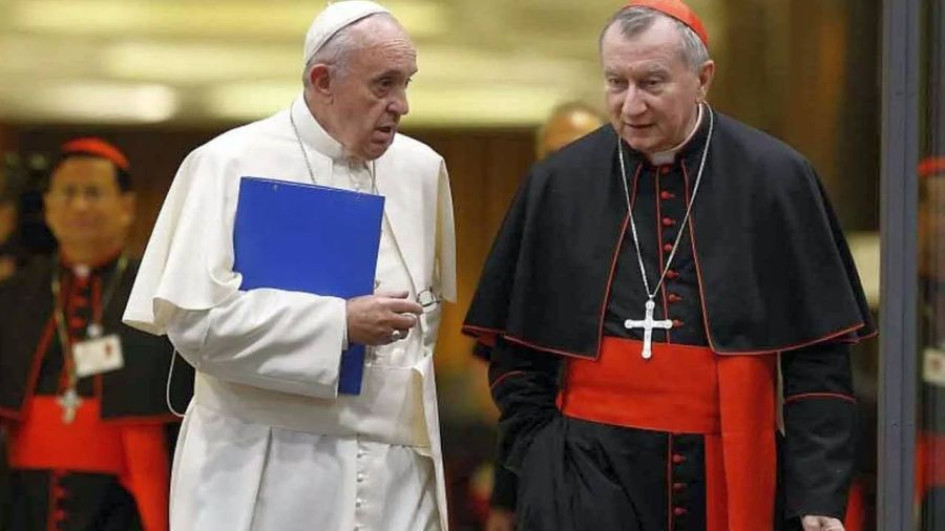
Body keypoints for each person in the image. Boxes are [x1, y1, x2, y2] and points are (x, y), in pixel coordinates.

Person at [463, 1, 874, 530]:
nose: (630, 105)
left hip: (725, 466)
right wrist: (543, 458)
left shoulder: (776, 178)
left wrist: (816, 496)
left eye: (652, 83)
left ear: (702, 78)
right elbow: (515, 353)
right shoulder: (559, 183)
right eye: (616, 82)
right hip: (585, 471)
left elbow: (818, 359)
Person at [122, 2, 456, 530]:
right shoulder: (228, 162)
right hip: (263, 466)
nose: (402, 105)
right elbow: (195, 323)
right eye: (383, 85)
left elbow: (426, 330)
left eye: (407, 83)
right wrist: (337, 325)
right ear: (323, 80)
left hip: (392, 473)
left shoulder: (420, 169)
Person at [0, 137, 193, 531]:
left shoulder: (158, 293)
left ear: (126, 206)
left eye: (94, 193)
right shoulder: (14, 294)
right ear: (49, 205)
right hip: (23, 497)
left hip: (123, 502)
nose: (80, 206)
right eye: (68, 193)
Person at [480, 101, 606, 531]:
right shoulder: (530, 241)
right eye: (556, 155)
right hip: (550, 465)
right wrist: (504, 501)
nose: (570, 166)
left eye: (583, 149)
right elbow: (514, 394)